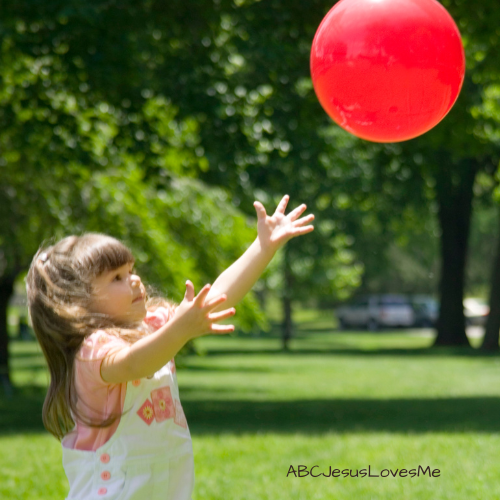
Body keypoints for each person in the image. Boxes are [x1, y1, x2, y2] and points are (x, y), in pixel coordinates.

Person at [26, 194, 314, 500]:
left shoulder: (150, 324)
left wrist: (263, 247)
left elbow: (216, 299)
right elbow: (136, 363)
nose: (135, 280)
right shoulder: (92, 350)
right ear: (78, 303)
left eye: (132, 269)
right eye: (117, 277)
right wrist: (179, 327)